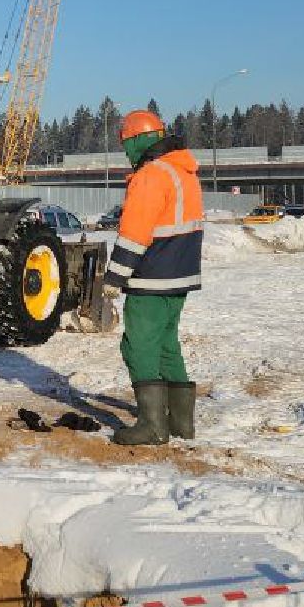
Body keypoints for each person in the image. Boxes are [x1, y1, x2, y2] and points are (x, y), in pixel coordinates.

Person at [104, 108, 204, 445]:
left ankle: (153, 426)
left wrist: (113, 278)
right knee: (166, 346)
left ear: (136, 141)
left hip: (152, 278)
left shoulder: (150, 176)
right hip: (180, 277)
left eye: (126, 145)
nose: (127, 153)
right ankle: (181, 424)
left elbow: (135, 233)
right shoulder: (183, 171)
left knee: (138, 347)